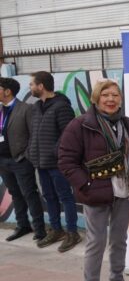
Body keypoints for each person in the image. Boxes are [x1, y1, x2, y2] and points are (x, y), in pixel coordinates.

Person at [58, 79, 129, 281]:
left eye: (115, 95)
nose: (111, 99)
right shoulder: (80, 125)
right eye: (105, 95)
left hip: (123, 191)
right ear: (96, 99)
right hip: (96, 194)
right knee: (96, 243)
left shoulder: (128, 126)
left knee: (119, 240)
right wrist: (86, 184)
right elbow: (66, 160)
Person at [27, 71, 80, 252]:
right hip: (40, 162)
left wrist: (54, 152)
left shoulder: (62, 107)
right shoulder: (35, 107)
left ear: (41, 86)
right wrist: (31, 151)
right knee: (48, 196)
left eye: (32, 84)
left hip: (57, 163)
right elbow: (33, 132)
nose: (30, 88)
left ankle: (73, 232)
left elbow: (69, 135)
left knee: (65, 197)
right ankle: (56, 229)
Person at [0, 77, 46, 242]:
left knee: (29, 193)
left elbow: (34, 134)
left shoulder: (26, 108)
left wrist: (26, 156)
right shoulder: (0, 110)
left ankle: (40, 229)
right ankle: (23, 225)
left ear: (7, 91)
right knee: (15, 193)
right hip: (3, 161)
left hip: (20, 160)